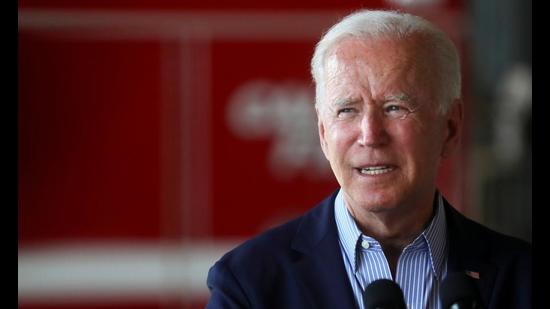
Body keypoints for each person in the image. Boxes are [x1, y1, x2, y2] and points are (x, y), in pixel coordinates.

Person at [205, 9, 531, 309]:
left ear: (450, 127)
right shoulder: (249, 284)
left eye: (395, 107)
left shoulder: (523, 279)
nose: (370, 134)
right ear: (323, 133)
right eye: (348, 110)